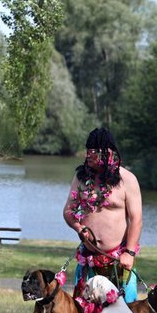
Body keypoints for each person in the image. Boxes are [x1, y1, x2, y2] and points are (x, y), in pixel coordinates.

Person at [61, 127, 143, 303]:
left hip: (119, 261)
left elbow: (136, 219)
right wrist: (78, 227)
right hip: (89, 259)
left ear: (107, 153)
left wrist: (129, 253)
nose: (88, 155)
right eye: (87, 151)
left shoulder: (127, 179)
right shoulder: (81, 177)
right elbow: (68, 211)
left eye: (93, 151)